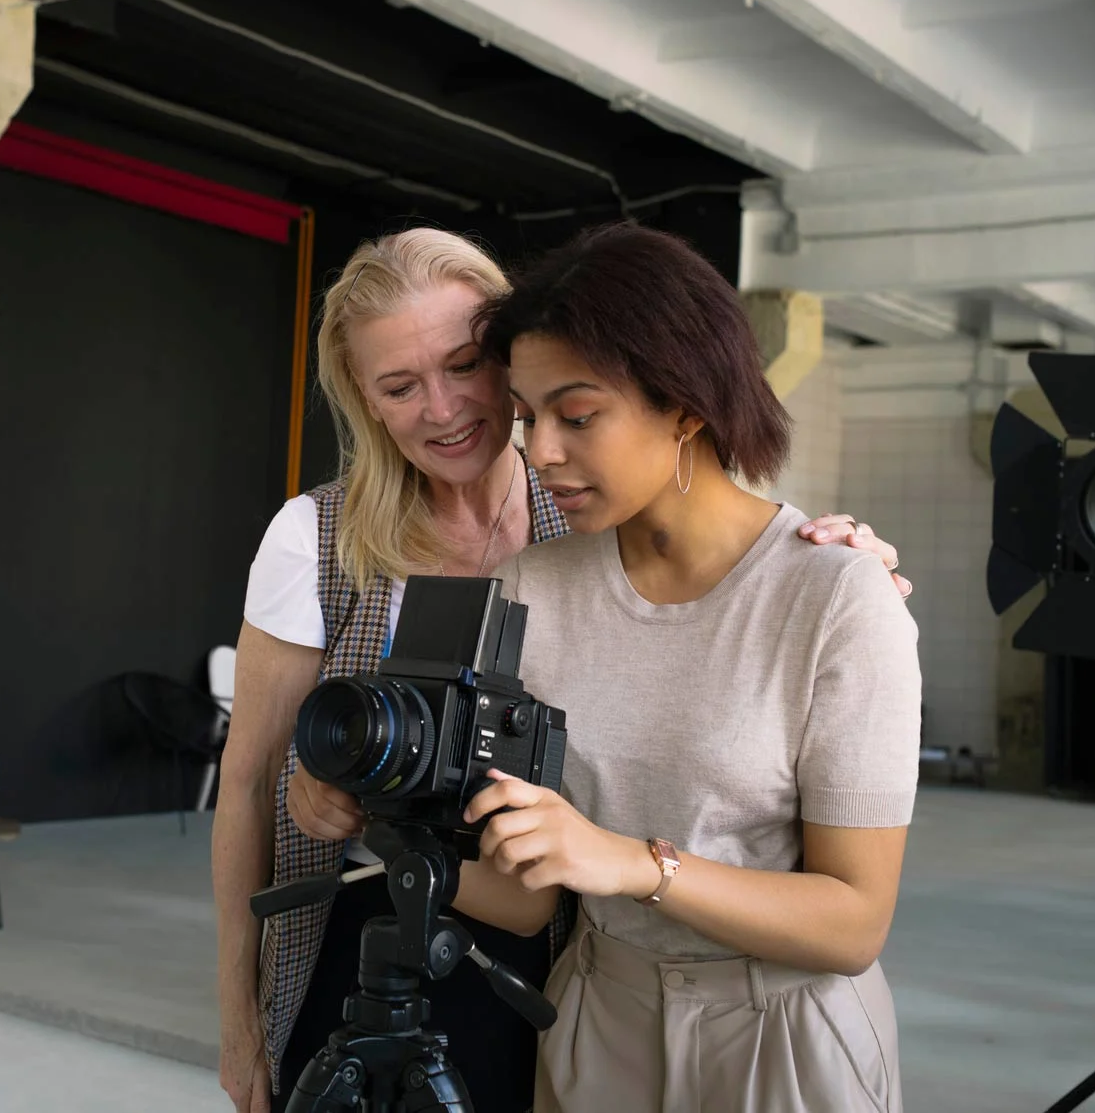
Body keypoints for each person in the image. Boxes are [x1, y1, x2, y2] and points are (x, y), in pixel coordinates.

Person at [213, 227, 910, 1113]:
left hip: (708, 1009)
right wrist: (353, 811)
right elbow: (258, 790)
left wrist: (838, 575)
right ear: (365, 399)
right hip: (538, 980)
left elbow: (850, 915)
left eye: (468, 366)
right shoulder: (471, 567)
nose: (448, 408)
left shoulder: (609, 524)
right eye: (399, 385)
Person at [436, 221, 922, 1112]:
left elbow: (855, 920)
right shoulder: (527, 587)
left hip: (785, 1037)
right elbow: (524, 900)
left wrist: (634, 864)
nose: (539, 451)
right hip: (598, 1021)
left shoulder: (835, 596)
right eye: (526, 418)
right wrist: (367, 820)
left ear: (687, 405)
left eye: (577, 416)